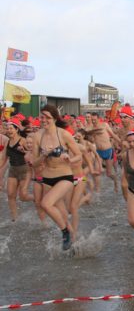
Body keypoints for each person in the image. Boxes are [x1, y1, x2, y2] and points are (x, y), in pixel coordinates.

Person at [30, 105, 82, 250]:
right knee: (63, 215)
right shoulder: (37, 136)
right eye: (42, 117)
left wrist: (69, 159)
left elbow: (78, 155)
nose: (44, 120)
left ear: (54, 118)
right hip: (47, 178)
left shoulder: (63, 134)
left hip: (64, 176)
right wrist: (44, 155)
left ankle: (64, 232)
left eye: (47, 117)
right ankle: (75, 244)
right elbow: (34, 163)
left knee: (45, 204)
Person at [3, 117, 34, 221]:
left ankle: (37, 198)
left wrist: (24, 150)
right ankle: (15, 219)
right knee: (10, 195)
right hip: (13, 170)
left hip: (24, 170)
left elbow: (33, 153)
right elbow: (3, 159)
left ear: (16, 129)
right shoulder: (7, 143)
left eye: (11, 128)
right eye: (7, 129)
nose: (9, 130)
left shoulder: (23, 141)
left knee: (23, 196)